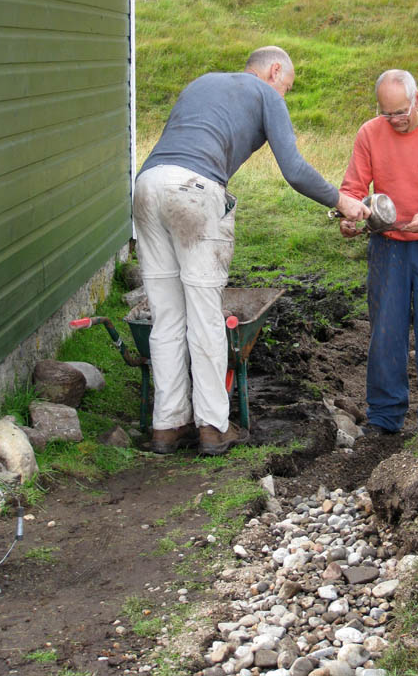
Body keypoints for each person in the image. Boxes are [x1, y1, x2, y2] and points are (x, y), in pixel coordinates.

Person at [133, 46, 369, 456]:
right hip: (192, 190)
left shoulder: (203, 81)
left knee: (167, 314)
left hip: (147, 184)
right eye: (287, 87)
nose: (285, 96)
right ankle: (213, 427)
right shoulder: (265, 95)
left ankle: (167, 426)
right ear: (274, 70)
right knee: (205, 314)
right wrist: (342, 202)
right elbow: (294, 170)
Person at [338, 69, 418, 434]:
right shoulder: (369, 133)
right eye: (387, 113)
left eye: (401, 112)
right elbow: (352, 188)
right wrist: (348, 218)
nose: (394, 120)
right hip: (387, 244)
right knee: (386, 330)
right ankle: (384, 416)